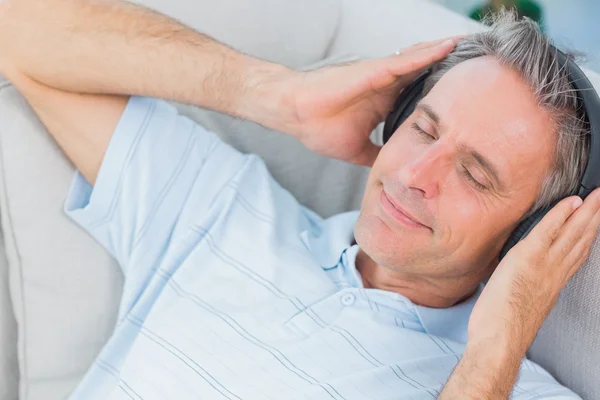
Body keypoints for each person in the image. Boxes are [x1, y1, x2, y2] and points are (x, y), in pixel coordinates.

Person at [1, 0, 599, 399]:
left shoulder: (505, 384)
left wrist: (495, 353)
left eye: (474, 173)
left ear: (534, 232)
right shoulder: (223, 208)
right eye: (424, 127)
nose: (417, 172)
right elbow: (18, 29)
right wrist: (279, 97)